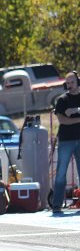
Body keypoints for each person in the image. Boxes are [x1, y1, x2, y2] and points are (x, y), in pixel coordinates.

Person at [52, 71, 80, 213]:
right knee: (61, 173)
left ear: (78, 82)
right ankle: (57, 204)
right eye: (67, 83)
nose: (69, 86)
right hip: (66, 141)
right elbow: (62, 120)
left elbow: (69, 118)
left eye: (72, 82)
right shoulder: (62, 100)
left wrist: (75, 111)